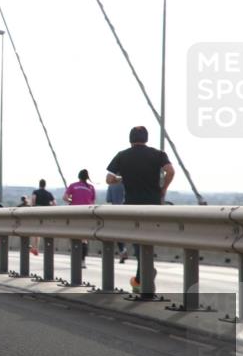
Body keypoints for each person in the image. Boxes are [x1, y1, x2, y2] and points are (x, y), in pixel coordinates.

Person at [106, 126, 175, 294]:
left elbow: (109, 179)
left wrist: (124, 178)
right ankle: (142, 275)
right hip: (153, 204)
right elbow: (170, 171)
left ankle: (143, 275)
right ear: (146, 138)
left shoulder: (122, 155)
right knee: (149, 239)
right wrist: (163, 188)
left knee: (138, 240)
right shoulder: (158, 154)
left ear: (130, 139)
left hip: (133, 204)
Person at [63, 169, 96, 268]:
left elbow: (65, 197)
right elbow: (93, 202)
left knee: (73, 235)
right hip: (86, 213)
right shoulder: (91, 187)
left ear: (79, 176)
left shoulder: (73, 185)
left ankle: (75, 257)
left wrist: (71, 200)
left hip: (74, 213)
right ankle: (83, 261)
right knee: (84, 238)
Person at [29, 179, 56, 256]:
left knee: (36, 231)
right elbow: (54, 203)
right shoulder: (49, 193)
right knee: (45, 231)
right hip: (46, 213)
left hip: (37, 212)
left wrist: (32, 208)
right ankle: (45, 248)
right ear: (45, 185)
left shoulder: (36, 192)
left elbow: (33, 200)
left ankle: (35, 248)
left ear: (39, 184)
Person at [106, 179, 129, 263]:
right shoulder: (127, 184)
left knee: (118, 232)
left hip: (116, 212)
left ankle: (123, 250)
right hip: (128, 211)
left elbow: (108, 199)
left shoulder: (111, 185)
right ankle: (124, 250)